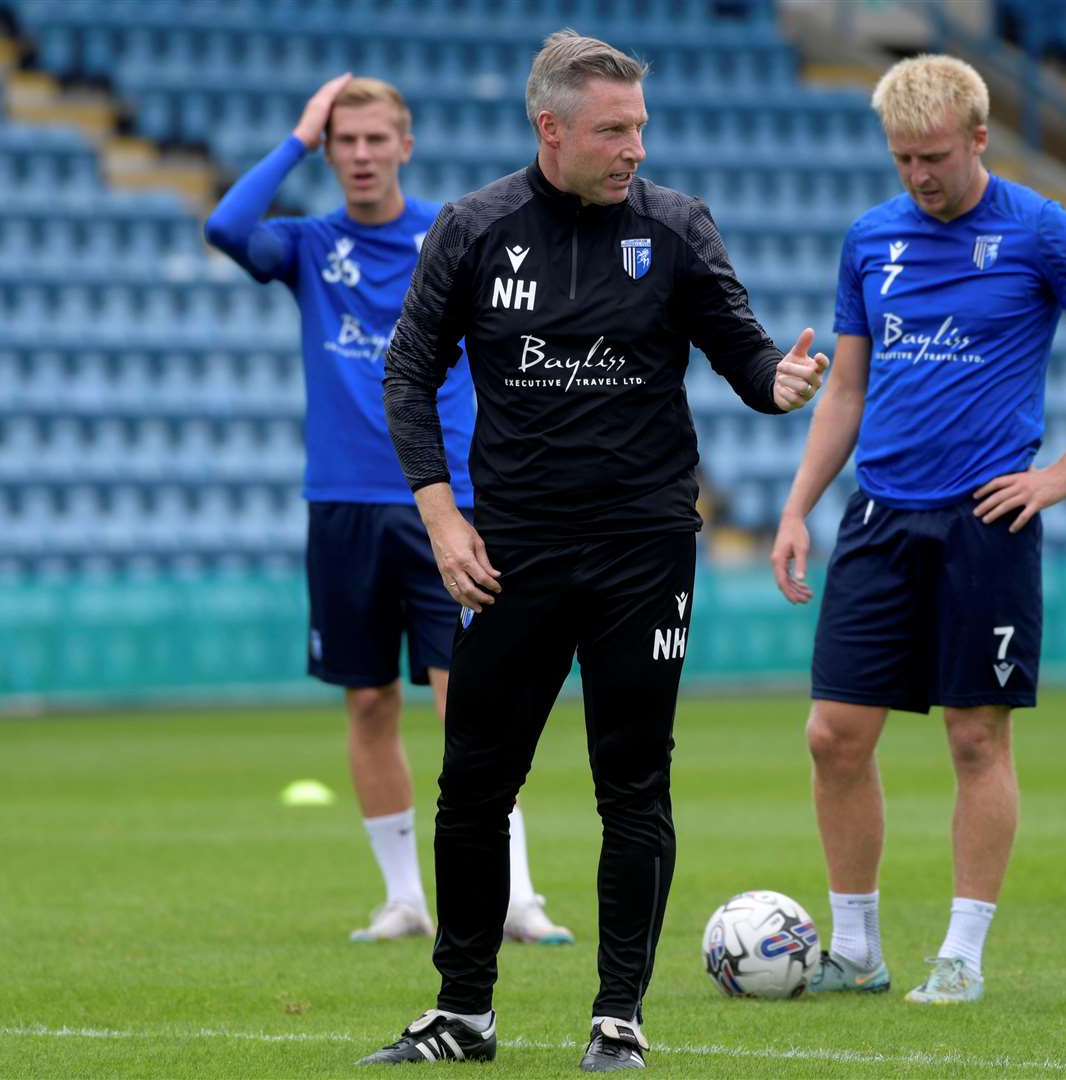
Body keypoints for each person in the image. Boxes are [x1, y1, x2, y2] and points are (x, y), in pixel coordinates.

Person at [357, 30, 827, 1071]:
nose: (634, 149)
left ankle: (619, 1019)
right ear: (551, 128)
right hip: (509, 556)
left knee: (633, 785)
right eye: (614, 130)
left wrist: (780, 383)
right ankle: (463, 1015)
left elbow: (746, 357)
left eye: (641, 128)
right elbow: (407, 377)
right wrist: (442, 517)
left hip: (643, 554)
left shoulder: (676, 227)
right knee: (474, 786)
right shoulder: (474, 229)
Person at [769, 54, 1066, 1004]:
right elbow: (851, 387)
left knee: (975, 739)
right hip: (877, 517)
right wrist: (795, 507)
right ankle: (857, 951)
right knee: (832, 735)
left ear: (978, 138)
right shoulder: (869, 240)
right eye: (902, 158)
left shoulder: (1039, 229)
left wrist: (1064, 472)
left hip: (985, 521)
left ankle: (961, 954)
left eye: (934, 156)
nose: (918, 176)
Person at [203, 74, 571, 947]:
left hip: (446, 503)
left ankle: (515, 894)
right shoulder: (306, 242)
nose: (361, 156)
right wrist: (297, 132)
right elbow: (225, 229)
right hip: (341, 506)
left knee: (469, 706)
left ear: (405, 145)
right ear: (329, 154)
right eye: (344, 142)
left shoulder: (452, 235)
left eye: (376, 140)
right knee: (368, 704)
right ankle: (405, 897)